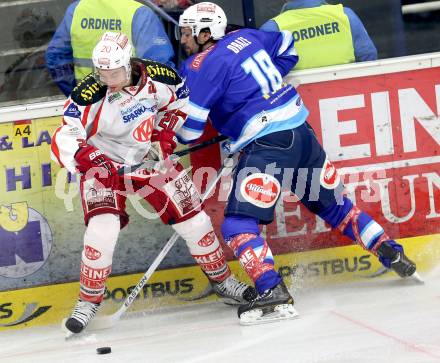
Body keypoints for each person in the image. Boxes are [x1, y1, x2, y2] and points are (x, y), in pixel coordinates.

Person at [177, 2, 416, 325]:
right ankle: (391, 251)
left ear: (206, 33)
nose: (183, 39)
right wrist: (254, 93)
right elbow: (289, 49)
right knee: (336, 207)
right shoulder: (249, 36)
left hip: (268, 144)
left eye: (188, 32)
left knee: (237, 225)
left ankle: (272, 290)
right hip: (301, 133)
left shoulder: (199, 65)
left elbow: (190, 131)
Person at [51, 31, 256, 334]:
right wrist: (94, 161)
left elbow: (179, 104)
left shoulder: (162, 76)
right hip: (102, 162)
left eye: (114, 71)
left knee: (196, 221)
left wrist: (163, 136)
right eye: (101, 72)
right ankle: (88, 300)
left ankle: (223, 281)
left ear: (129, 63)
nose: (107, 78)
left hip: (148, 158)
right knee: (101, 229)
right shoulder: (88, 93)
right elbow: (65, 136)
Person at [45, 0, 175, 97]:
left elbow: (55, 58)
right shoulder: (139, 13)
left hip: (91, 106)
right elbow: (161, 69)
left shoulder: (76, 10)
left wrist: (78, 93)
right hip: (129, 106)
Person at [260, 0, 377, 70]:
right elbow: (368, 58)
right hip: (349, 97)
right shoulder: (345, 15)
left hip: (300, 106)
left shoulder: (272, 29)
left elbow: (263, 77)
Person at [0, 8, 60, 102]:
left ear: (28, 38)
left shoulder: (29, 67)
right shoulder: (63, 55)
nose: (21, 44)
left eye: (21, 39)